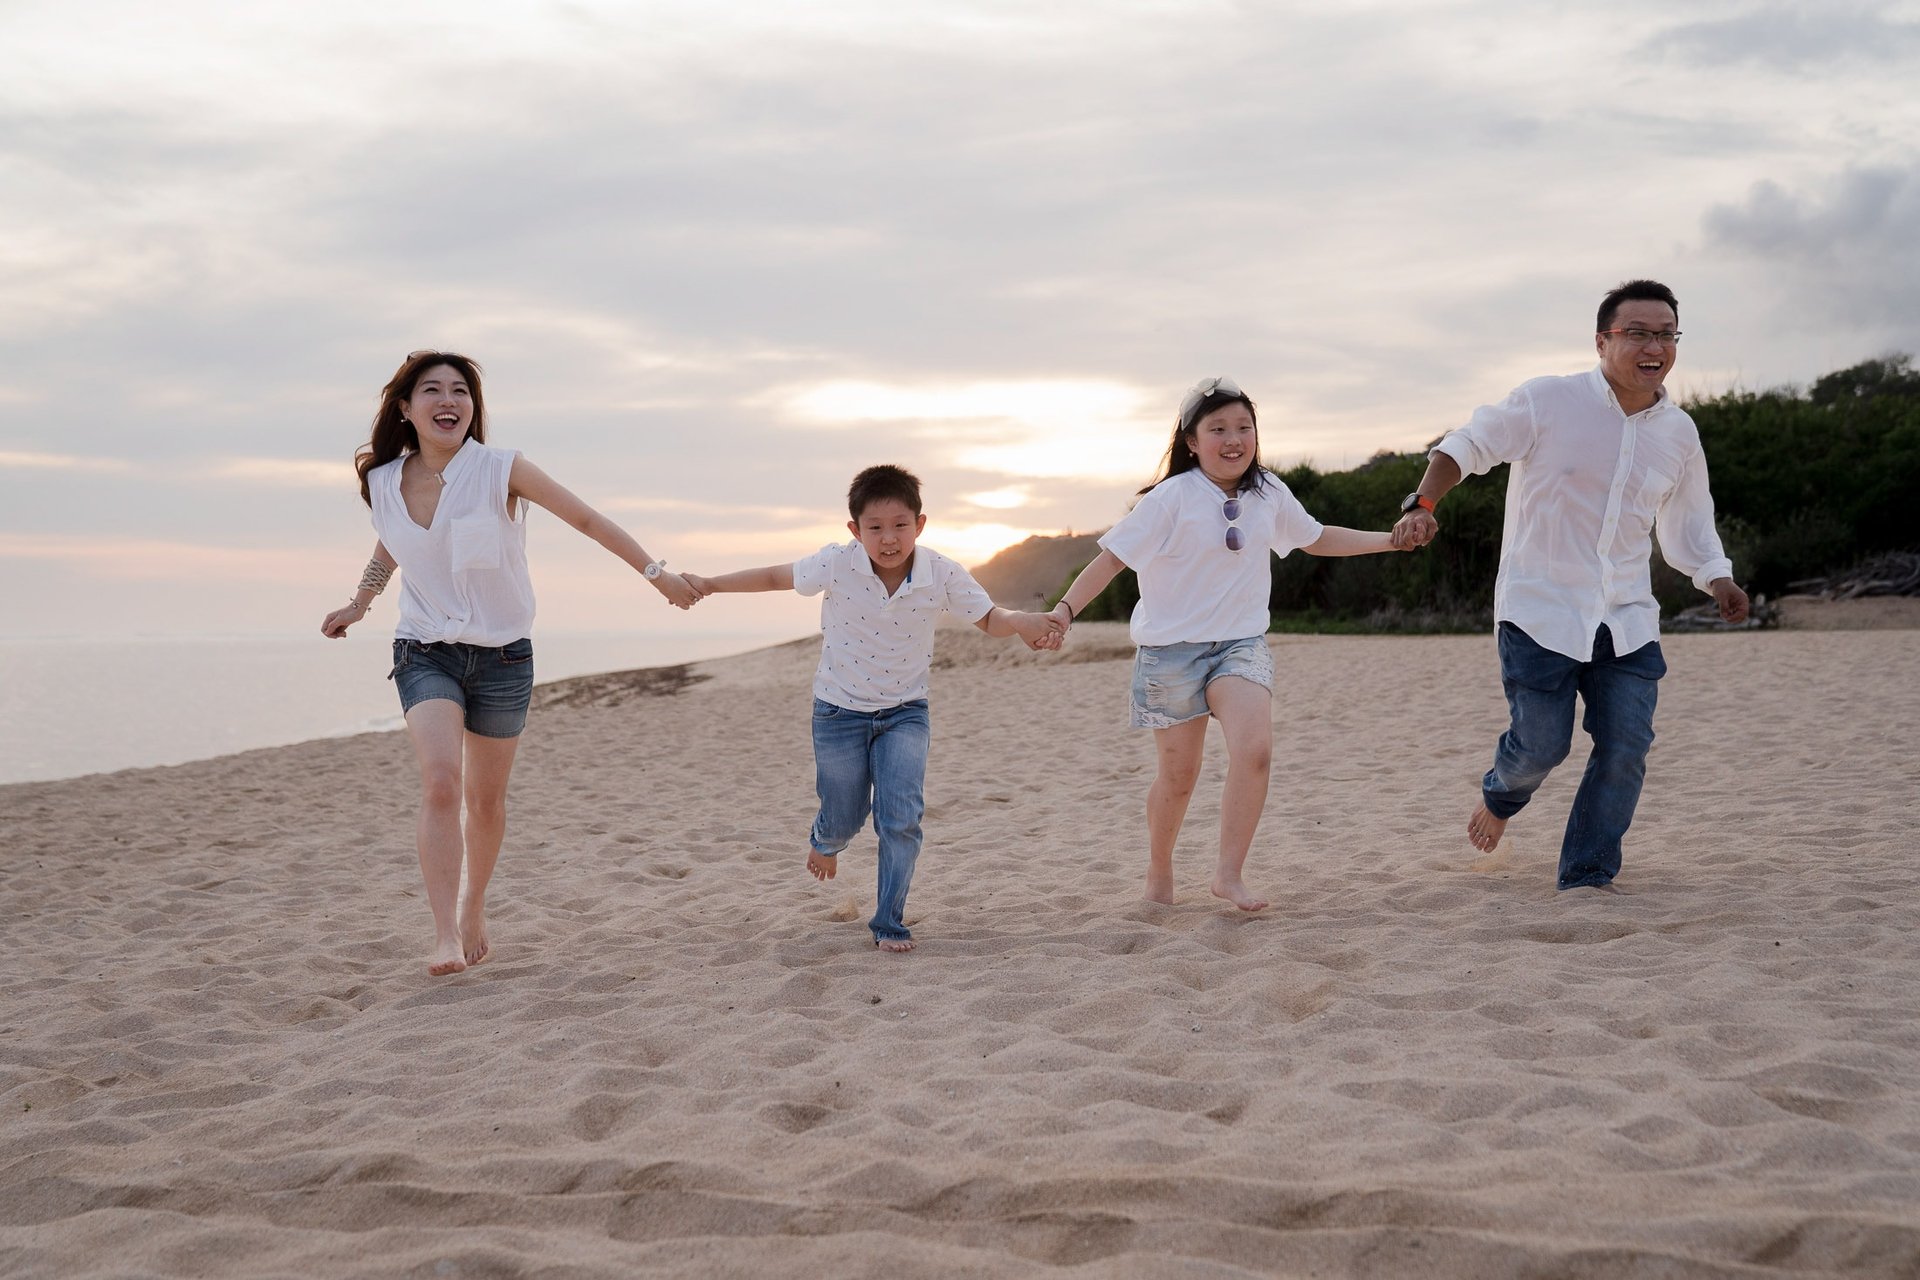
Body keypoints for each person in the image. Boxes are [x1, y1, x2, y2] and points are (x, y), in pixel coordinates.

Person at [320, 350, 699, 975]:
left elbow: (585, 519)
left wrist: (657, 575)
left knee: (486, 802)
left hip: (502, 656)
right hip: (424, 649)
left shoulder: (501, 469)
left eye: (461, 391)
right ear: (406, 409)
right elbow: (392, 542)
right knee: (441, 782)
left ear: (473, 408)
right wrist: (361, 602)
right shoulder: (384, 480)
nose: (450, 401)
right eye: (433, 391)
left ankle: (473, 905)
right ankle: (444, 935)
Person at [1390, 280, 1750, 891]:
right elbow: (1469, 443)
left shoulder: (1679, 433)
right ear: (1603, 340)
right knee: (1540, 746)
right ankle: (1501, 798)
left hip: (1627, 619)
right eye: (1637, 332)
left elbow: (1689, 522)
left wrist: (1718, 579)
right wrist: (1422, 501)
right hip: (1540, 612)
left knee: (1626, 747)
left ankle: (1586, 877)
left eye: (1666, 334)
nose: (1653, 345)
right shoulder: (1548, 401)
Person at [1046, 376, 1409, 912]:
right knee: (1178, 776)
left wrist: (1389, 539)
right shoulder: (1171, 498)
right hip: (1170, 652)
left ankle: (1228, 874)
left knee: (1255, 750)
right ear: (1192, 441)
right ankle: (1159, 867)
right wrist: (1064, 610)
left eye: (1244, 426)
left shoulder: (1269, 491)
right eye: (1218, 429)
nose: (1234, 438)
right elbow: (1112, 557)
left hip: (1239, 645)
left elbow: (1315, 537)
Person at [682, 465, 1062, 952]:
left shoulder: (940, 572)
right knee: (844, 815)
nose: (888, 539)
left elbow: (990, 617)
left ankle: (889, 920)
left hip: (905, 713)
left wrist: (1024, 621)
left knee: (899, 816)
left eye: (900, 525)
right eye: (875, 527)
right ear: (854, 530)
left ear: (920, 525)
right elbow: (776, 575)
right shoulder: (837, 564)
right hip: (838, 713)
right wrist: (710, 584)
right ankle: (827, 839)